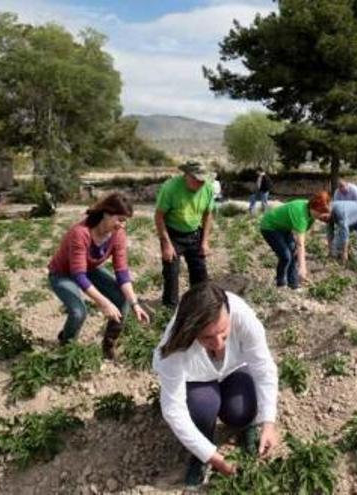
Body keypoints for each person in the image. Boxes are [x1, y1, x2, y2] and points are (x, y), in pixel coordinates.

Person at [152, 282, 279, 486]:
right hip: (197, 378)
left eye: (223, 331)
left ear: (229, 313)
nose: (219, 343)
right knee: (201, 409)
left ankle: (248, 427)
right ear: (191, 332)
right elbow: (173, 409)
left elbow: (264, 369)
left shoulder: (243, 316)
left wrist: (269, 423)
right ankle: (201, 451)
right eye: (207, 337)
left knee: (241, 411)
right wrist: (213, 457)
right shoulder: (175, 344)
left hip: (233, 370)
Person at [48, 193, 150, 358]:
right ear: (106, 214)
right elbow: (78, 275)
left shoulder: (118, 235)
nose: (122, 225)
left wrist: (135, 304)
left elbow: (122, 272)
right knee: (78, 312)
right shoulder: (80, 233)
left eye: (125, 221)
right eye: (120, 219)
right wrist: (104, 303)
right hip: (62, 274)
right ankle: (66, 346)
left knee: (122, 298)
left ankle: (108, 346)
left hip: (88, 270)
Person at [155, 161, 216, 308]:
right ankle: (170, 310)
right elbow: (159, 216)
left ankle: (199, 306)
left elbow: (208, 214)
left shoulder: (207, 187)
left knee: (200, 272)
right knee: (171, 273)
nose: (200, 183)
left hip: (195, 233)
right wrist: (166, 244)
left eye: (203, 180)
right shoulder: (170, 188)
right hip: (173, 234)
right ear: (187, 175)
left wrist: (205, 241)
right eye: (197, 179)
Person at [259, 192, 331, 289]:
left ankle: (293, 284)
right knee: (286, 256)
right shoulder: (300, 213)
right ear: (315, 209)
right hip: (269, 226)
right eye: (321, 213)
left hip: (284, 227)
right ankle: (280, 283)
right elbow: (300, 243)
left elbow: (301, 236)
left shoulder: (312, 215)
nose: (323, 216)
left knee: (294, 253)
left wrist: (297, 251)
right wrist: (303, 267)